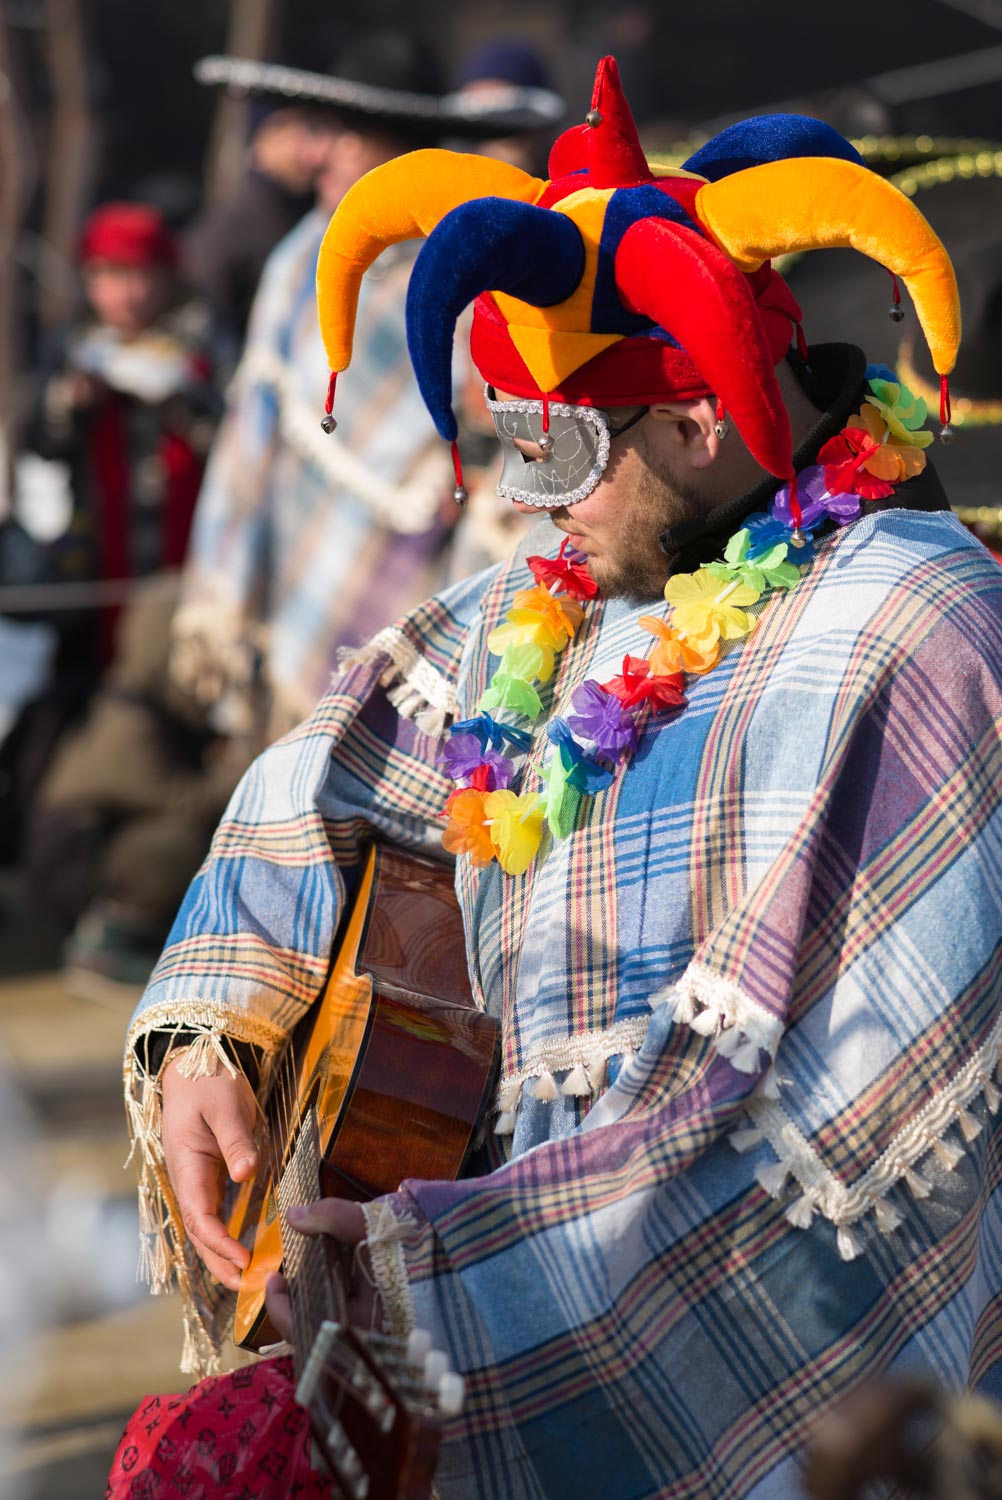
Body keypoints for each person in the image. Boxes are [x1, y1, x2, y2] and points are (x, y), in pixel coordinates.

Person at [124, 58, 1002, 1498]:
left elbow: (850, 1142)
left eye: (564, 447)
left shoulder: (917, 629)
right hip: (492, 1249)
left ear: (701, 418)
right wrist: (214, 1030)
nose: (528, 500)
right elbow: (321, 776)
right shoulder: (553, 605)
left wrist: (455, 1278)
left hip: (749, 1344)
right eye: (508, 442)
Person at [170, 34, 558, 744]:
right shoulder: (306, 250)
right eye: (320, 134)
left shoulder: (468, 275)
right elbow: (253, 426)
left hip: (412, 576)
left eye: (343, 138)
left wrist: (471, 447)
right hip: (290, 563)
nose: (318, 154)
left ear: (400, 154)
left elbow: (511, 451)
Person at [182, 87, 327, 341]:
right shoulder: (231, 230)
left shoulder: (305, 215)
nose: (311, 150)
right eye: (293, 133)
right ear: (261, 142)